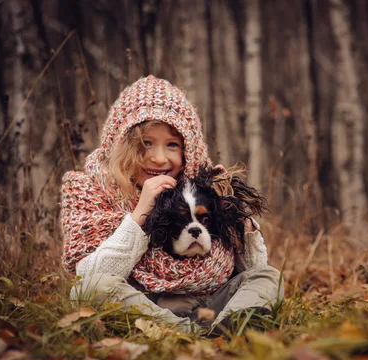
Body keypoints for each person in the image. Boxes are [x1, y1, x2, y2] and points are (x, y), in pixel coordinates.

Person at [60, 75, 283, 333]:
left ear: (188, 149)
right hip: (147, 305)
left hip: (212, 303)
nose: (158, 157)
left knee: (268, 278)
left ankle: (225, 326)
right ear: (121, 146)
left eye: (172, 145)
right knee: (88, 289)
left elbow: (253, 270)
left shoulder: (204, 189)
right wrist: (138, 216)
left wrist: (241, 223)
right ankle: (191, 334)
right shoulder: (88, 190)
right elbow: (89, 274)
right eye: (145, 144)